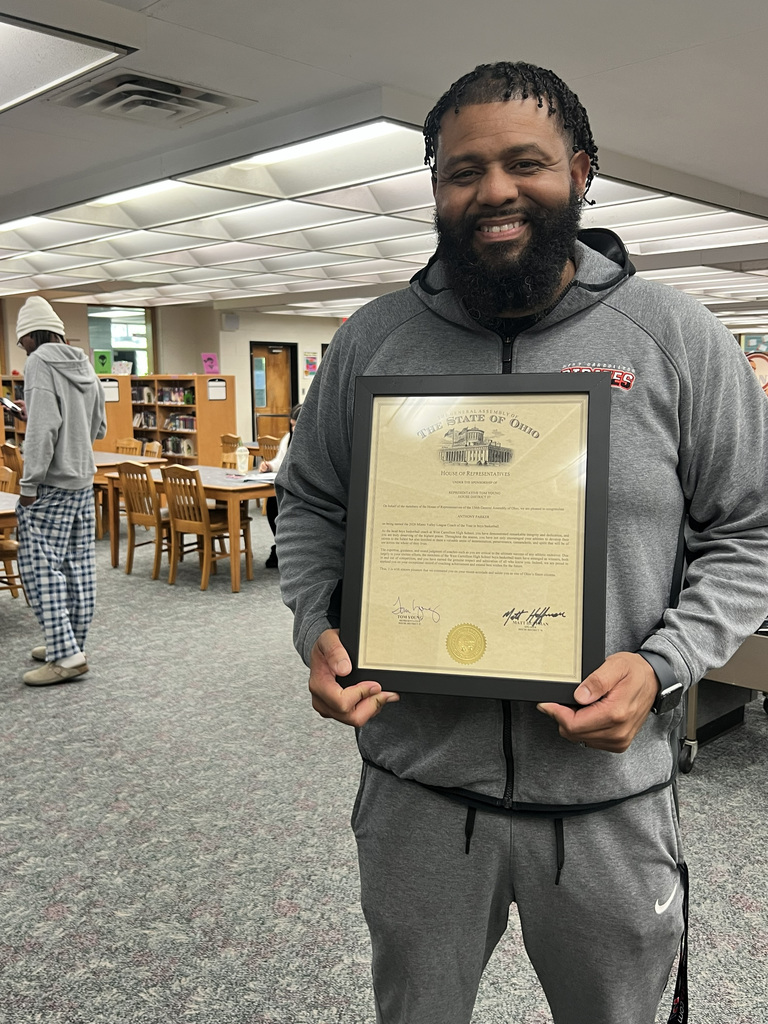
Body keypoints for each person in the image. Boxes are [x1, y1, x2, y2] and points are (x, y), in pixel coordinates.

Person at [275, 62, 768, 1024]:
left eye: (525, 163)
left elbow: (749, 529)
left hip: (606, 805)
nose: (493, 190)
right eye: (463, 170)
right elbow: (309, 504)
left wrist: (665, 665)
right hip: (415, 793)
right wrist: (318, 624)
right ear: (435, 188)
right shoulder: (375, 340)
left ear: (582, 171)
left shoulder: (673, 338)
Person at [14, 295, 107, 687]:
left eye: (22, 343)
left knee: (40, 569)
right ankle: (68, 644)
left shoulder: (38, 363)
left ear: (30, 336)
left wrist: (28, 483)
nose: (23, 350)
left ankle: (65, 656)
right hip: (83, 479)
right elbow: (98, 427)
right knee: (78, 566)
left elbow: (43, 430)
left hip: (50, 484)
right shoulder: (82, 361)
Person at [258, 403, 301, 568]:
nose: (294, 429)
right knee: (271, 502)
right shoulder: (288, 438)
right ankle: (281, 545)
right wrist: (269, 465)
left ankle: (288, 548)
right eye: (292, 426)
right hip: (288, 485)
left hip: (302, 489)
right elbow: (279, 461)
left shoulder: (313, 441)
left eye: (297, 425)